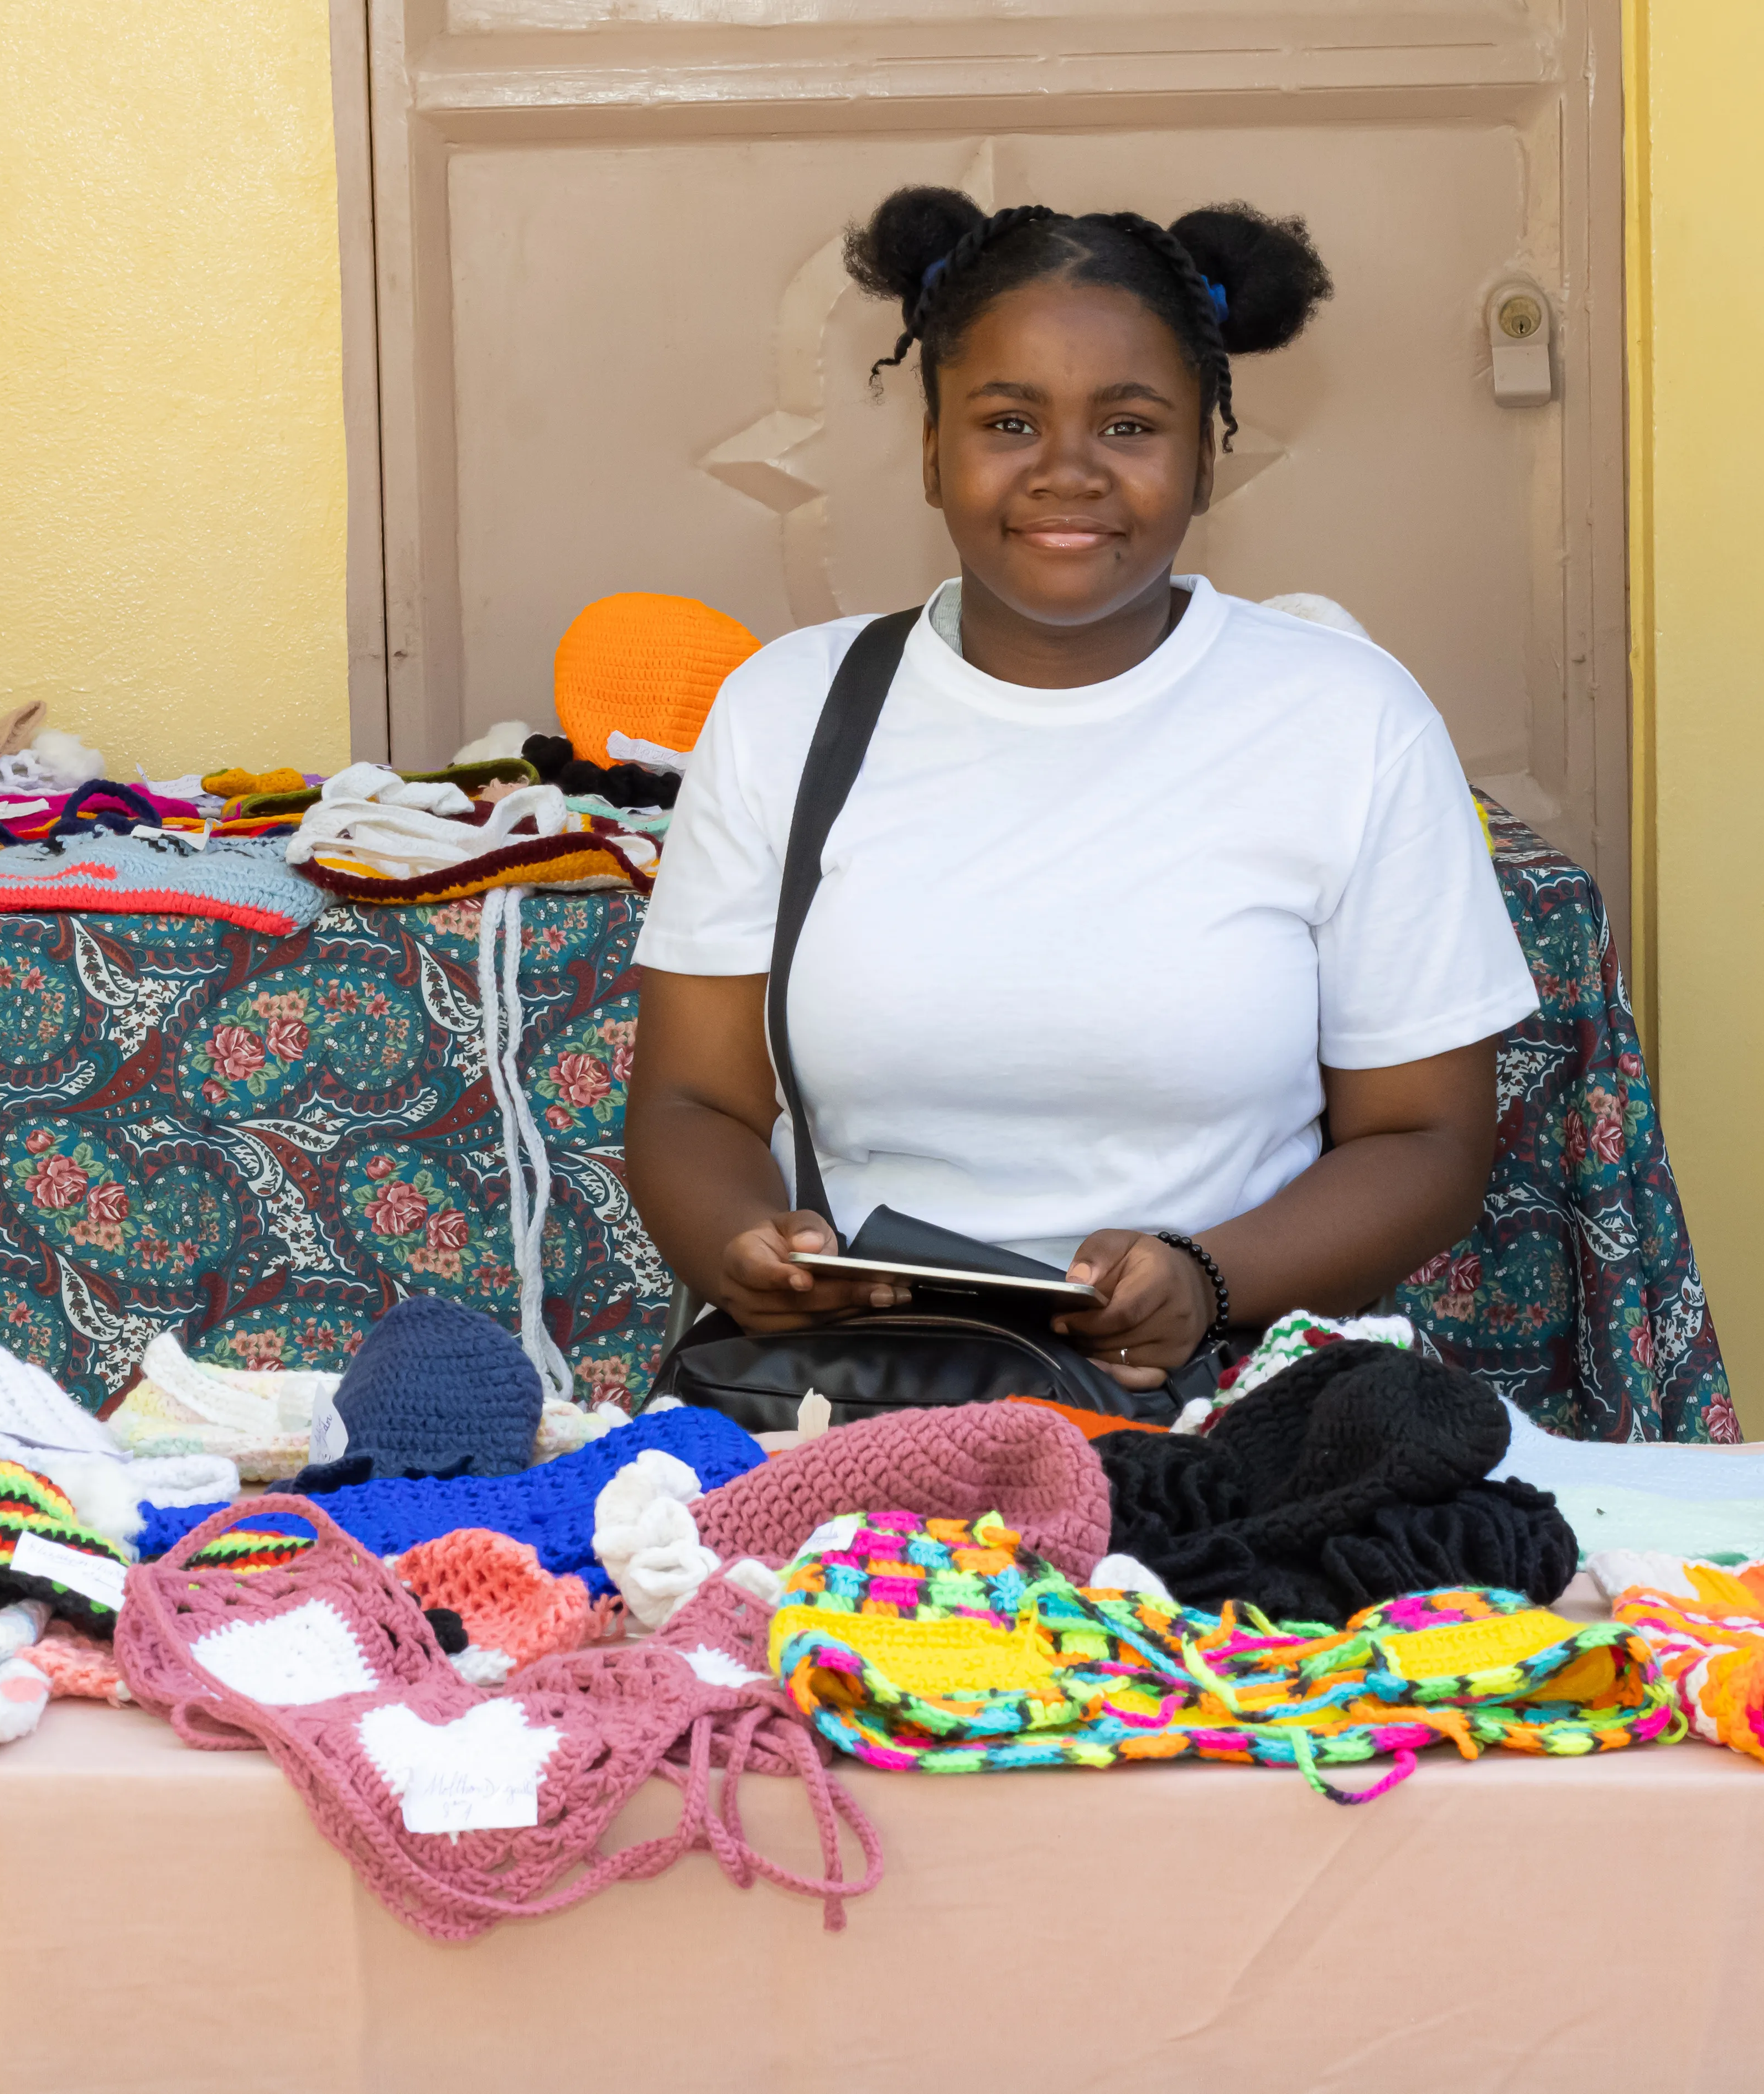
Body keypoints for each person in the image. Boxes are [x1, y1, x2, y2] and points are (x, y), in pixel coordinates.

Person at [624, 188, 1538, 1392]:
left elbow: (1427, 1138)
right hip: (858, 1397)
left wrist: (1209, 1277)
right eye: (1008, 421)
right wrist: (748, 1248)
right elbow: (694, 1099)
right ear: (931, 452)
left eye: (1129, 425)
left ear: (1206, 458)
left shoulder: (1347, 719)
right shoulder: (784, 710)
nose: (1067, 472)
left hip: (1225, 1396)